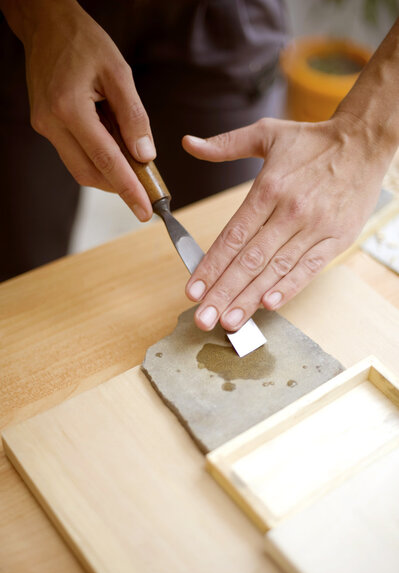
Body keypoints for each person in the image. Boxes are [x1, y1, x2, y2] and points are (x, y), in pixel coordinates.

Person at [1, 1, 398, 336]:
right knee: (21, 286)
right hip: (40, 22)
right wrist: (40, 15)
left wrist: (364, 133)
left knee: (239, 243)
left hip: (221, 14)